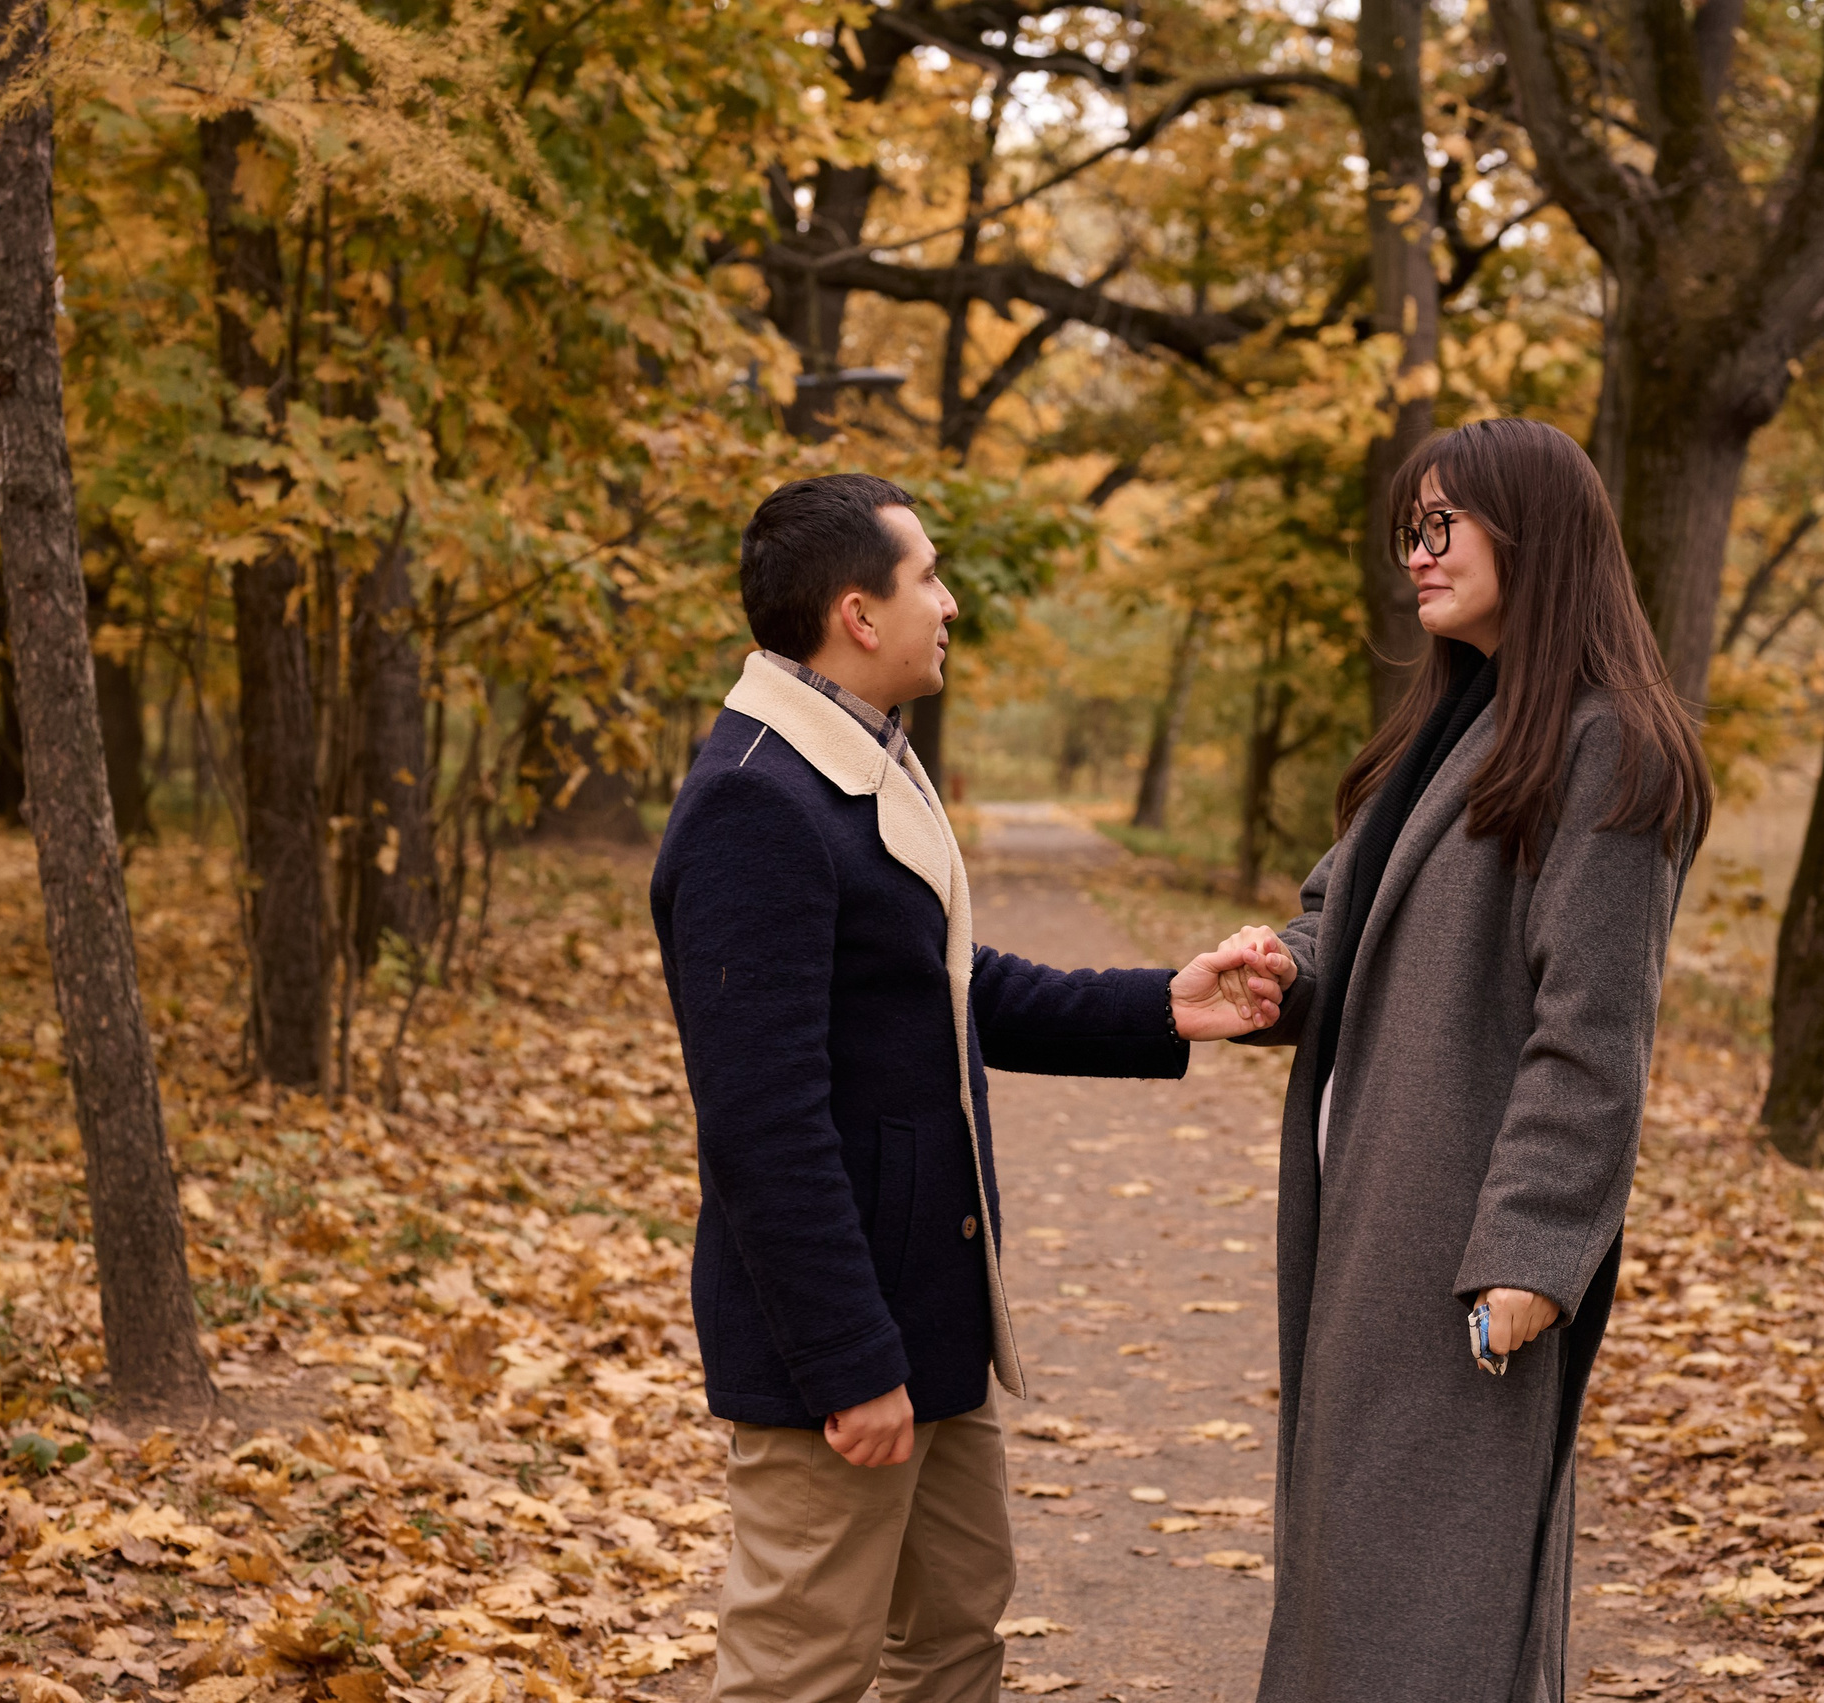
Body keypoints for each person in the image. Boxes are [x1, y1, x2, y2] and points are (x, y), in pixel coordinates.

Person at [650, 472, 1292, 1703]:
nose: (948, 602)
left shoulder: (859, 762)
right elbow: (759, 1119)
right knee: (801, 1668)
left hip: (930, 1309)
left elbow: (948, 983)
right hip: (838, 1344)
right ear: (856, 611)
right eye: (927, 579)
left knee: (949, 1642)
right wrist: (847, 1361)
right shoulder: (756, 797)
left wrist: (1167, 1003)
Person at [1228, 418, 1711, 1703]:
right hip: (1369, 1216)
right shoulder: (1455, 723)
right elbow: (1344, 913)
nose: (1416, 556)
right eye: (1411, 527)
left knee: (1441, 1580)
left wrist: (1527, 1252)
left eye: (1443, 525)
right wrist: (1281, 968)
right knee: (1353, 1555)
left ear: (1531, 534)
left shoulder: (1607, 744)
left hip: (1465, 1254)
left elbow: (1592, 1033)